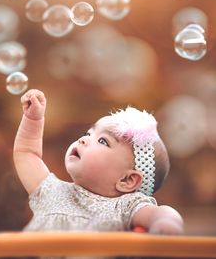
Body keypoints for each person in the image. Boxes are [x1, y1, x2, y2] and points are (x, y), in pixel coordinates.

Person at [13, 89, 184, 236]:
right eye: (88, 134)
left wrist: (167, 223)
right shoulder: (52, 191)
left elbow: (159, 213)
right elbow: (27, 154)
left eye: (103, 141)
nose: (83, 140)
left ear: (127, 180)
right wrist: (33, 120)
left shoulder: (124, 207)